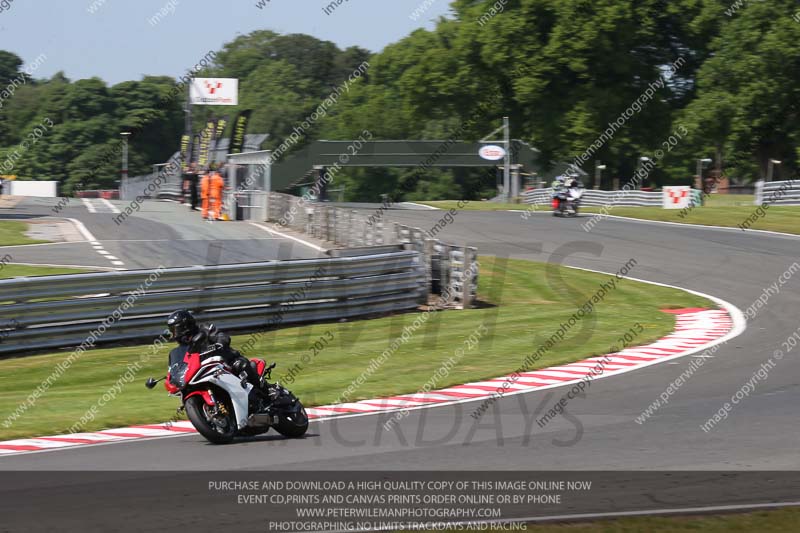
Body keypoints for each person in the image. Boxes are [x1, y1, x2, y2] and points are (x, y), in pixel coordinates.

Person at [166, 309, 264, 391]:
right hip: (201, 373)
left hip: (225, 362)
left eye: (175, 330)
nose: (174, 334)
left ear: (185, 326)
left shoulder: (205, 329)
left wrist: (219, 343)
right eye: (172, 331)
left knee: (240, 365)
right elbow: (178, 366)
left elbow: (221, 336)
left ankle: (265, 391)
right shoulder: (181, 350)